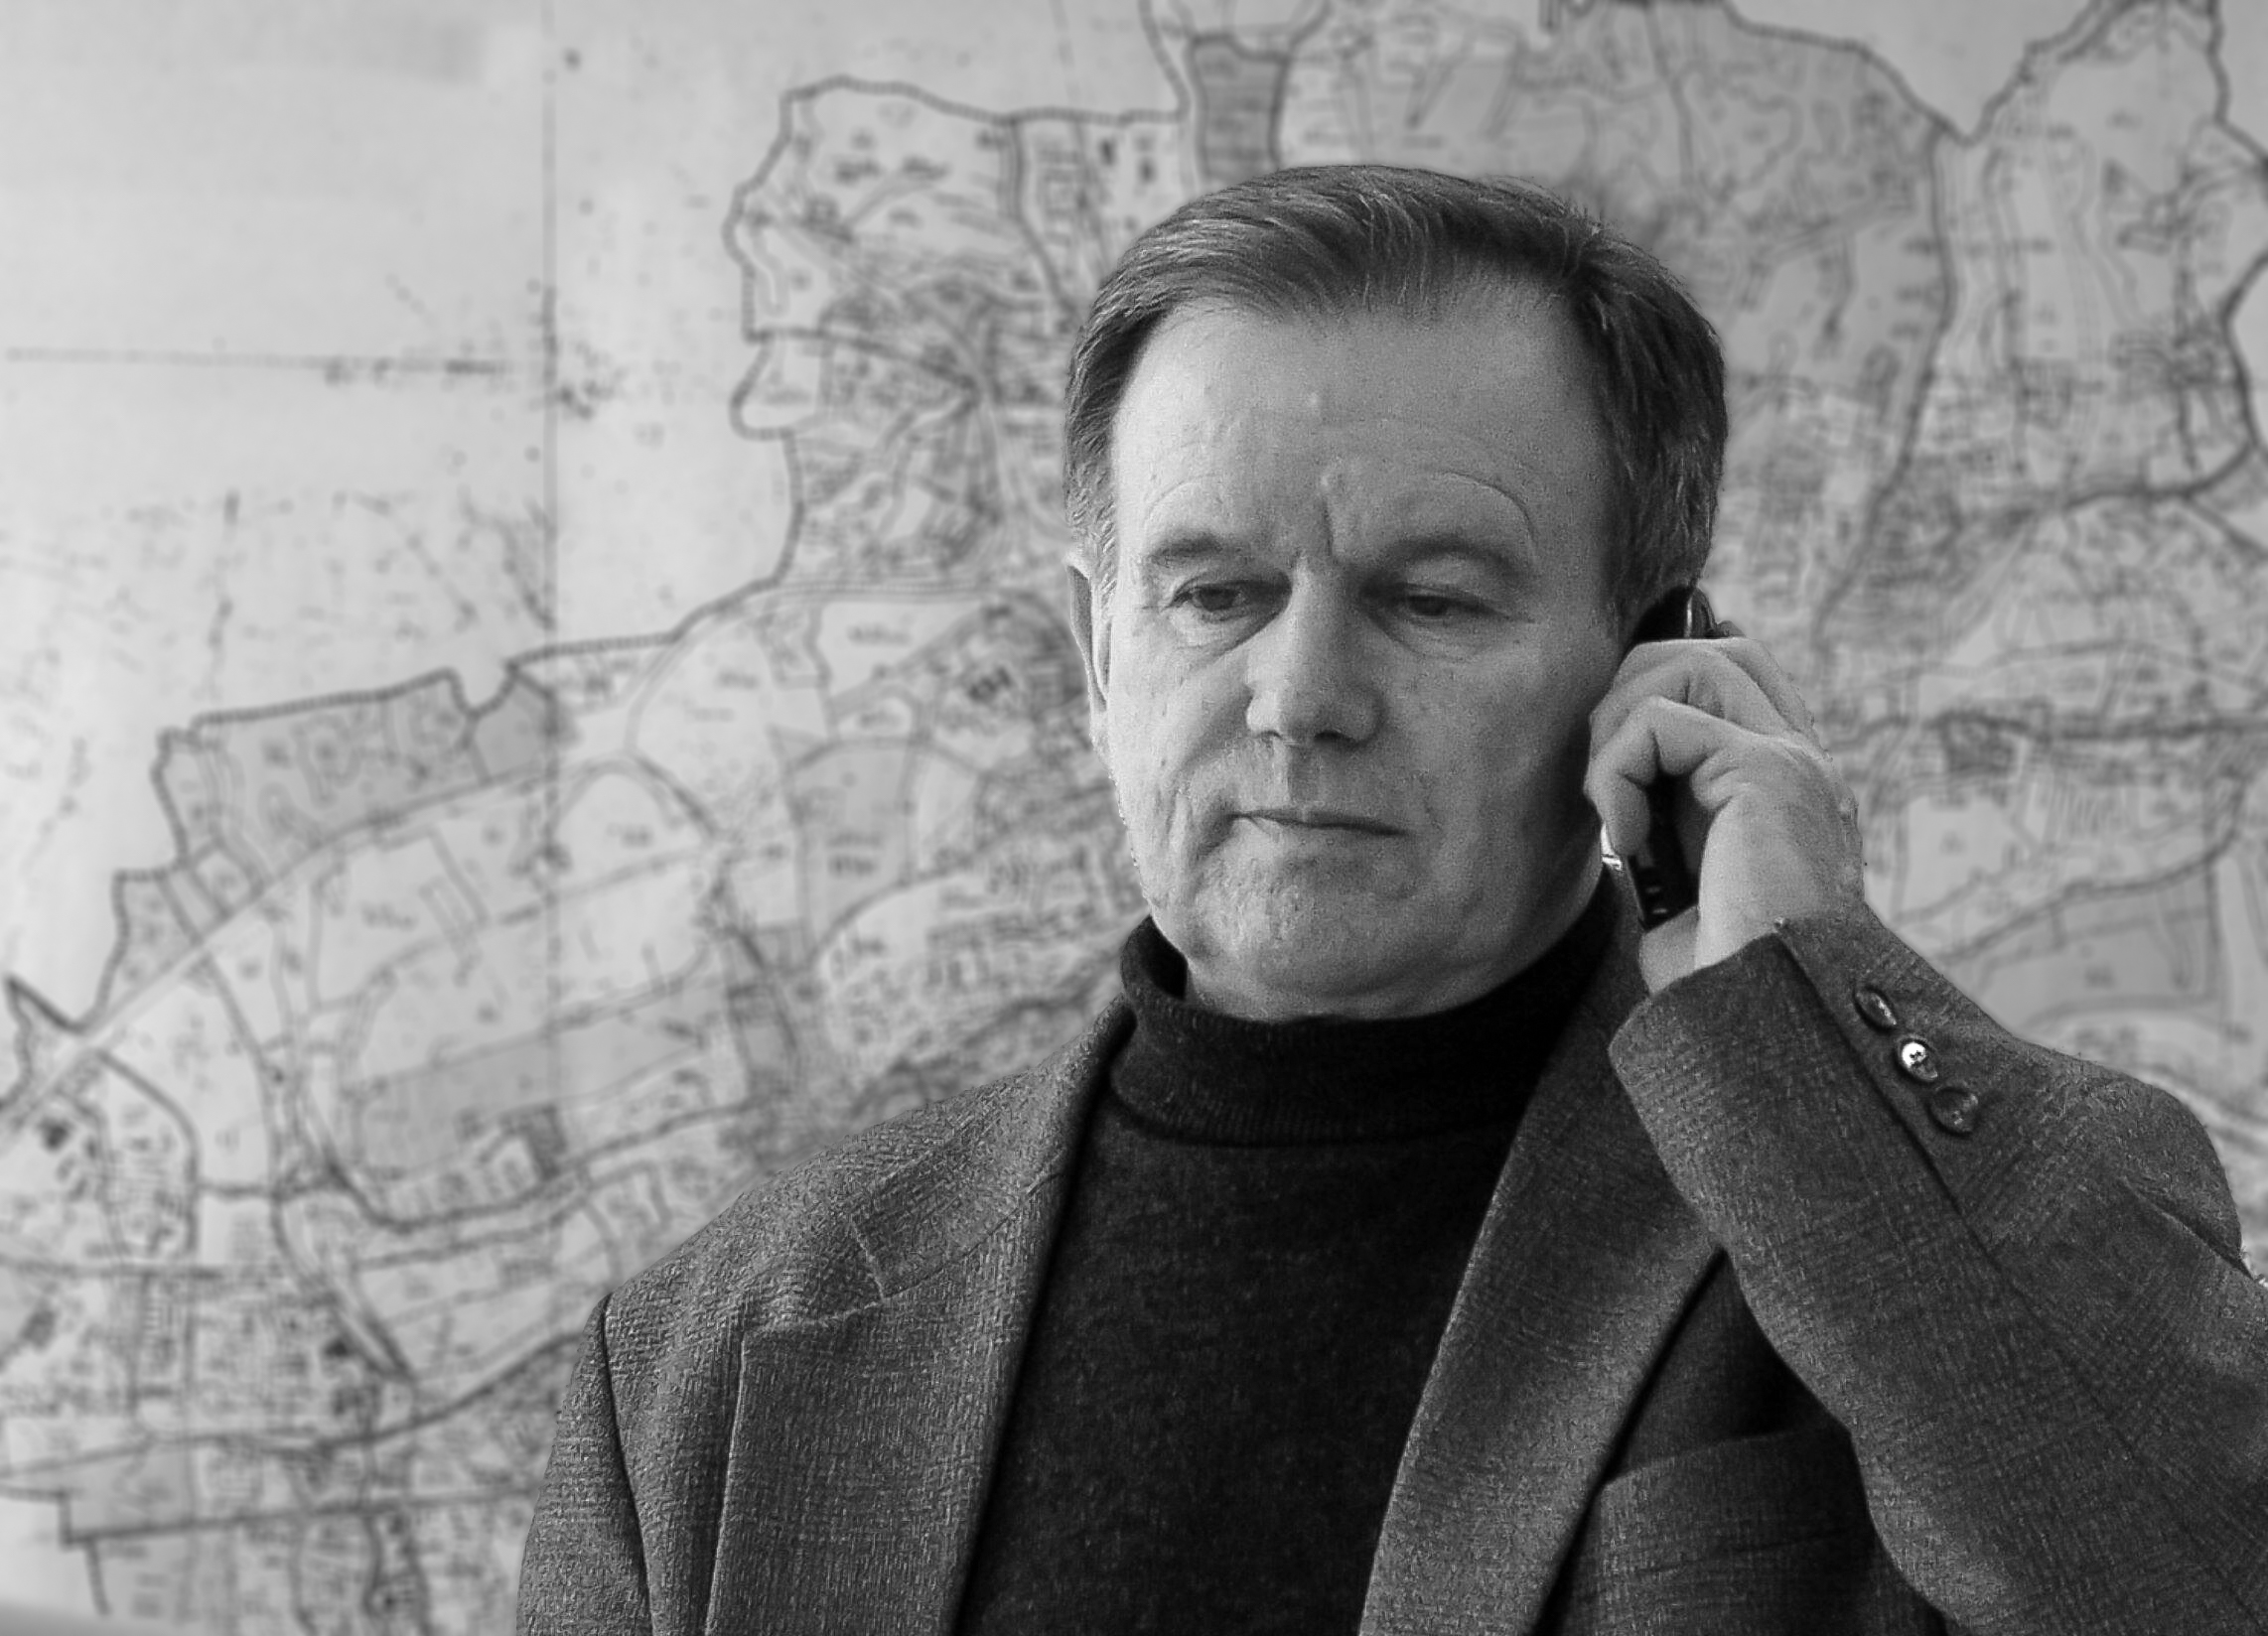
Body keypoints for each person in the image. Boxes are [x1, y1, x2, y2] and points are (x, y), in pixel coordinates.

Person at [517, 167, 2268, 1634]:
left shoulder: (1880, 1203)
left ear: (1659, 660)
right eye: (1214, 595)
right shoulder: (706, 1363)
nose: (1301, 696)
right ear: (1097, 659)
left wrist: (1804, 999)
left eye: (1432, 598)